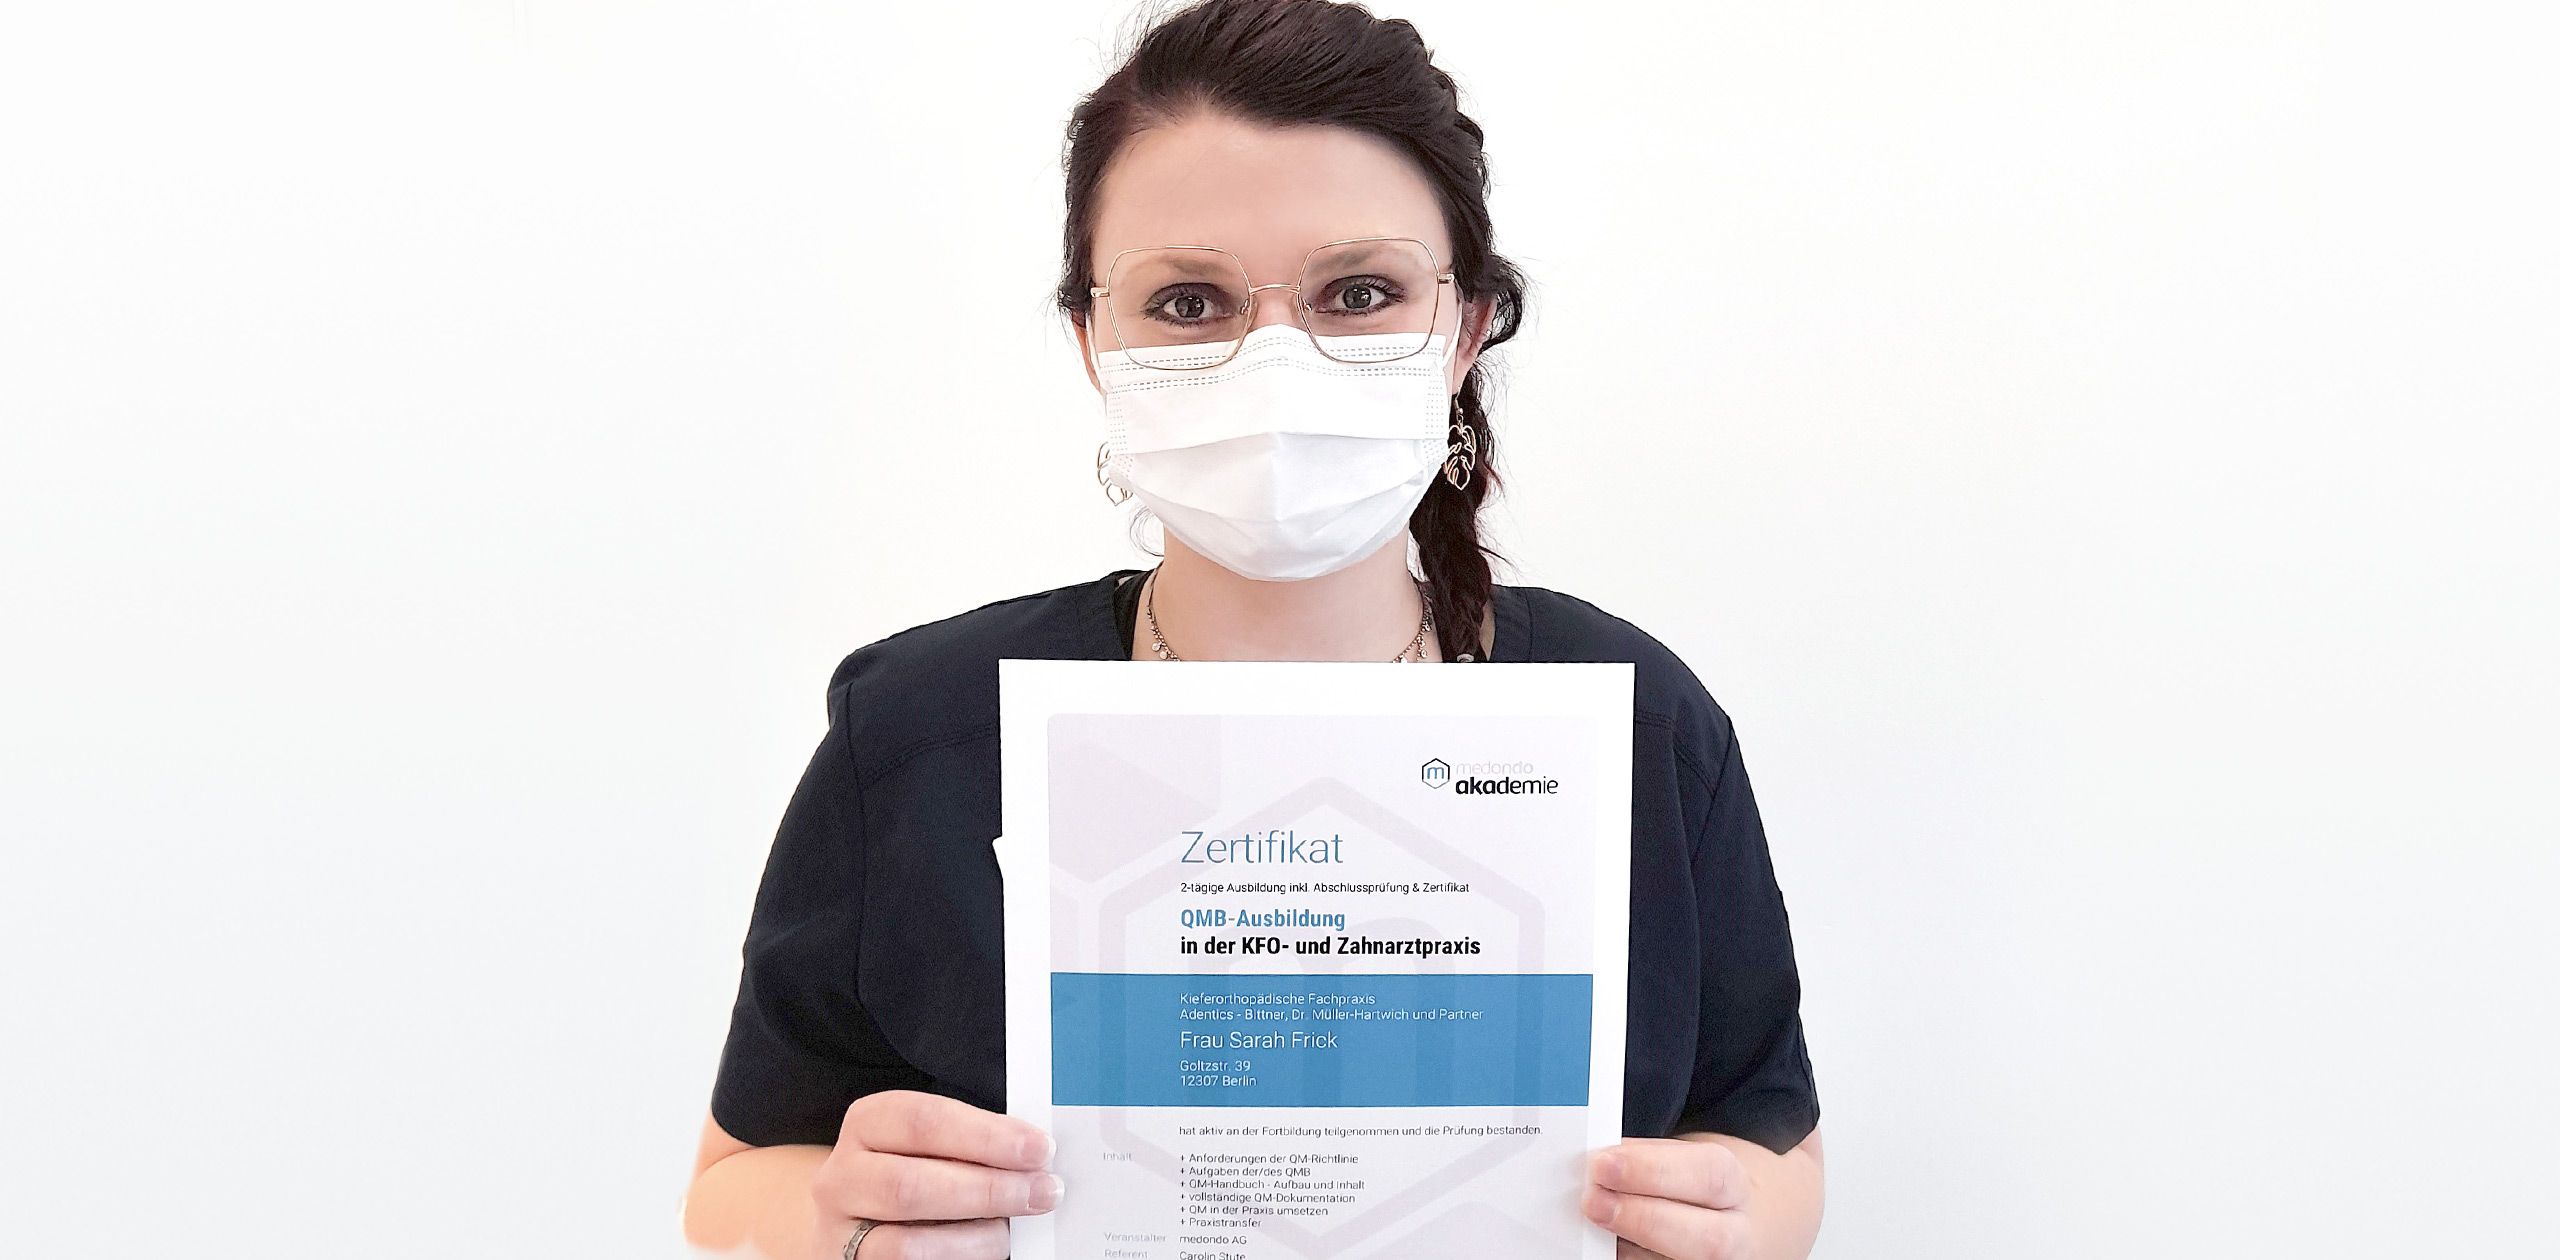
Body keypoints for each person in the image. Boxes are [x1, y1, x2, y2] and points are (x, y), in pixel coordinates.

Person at [680, 2, 1825, 1257]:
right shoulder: (921, 729)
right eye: (1188, 302)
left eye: (1359, 293)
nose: (1275, 365)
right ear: (1092, 341)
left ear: (1464, 329)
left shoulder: (1634, 722)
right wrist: (841, 1227)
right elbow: (736, 1176)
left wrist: (1730, 1222)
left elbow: (1769, 1144)